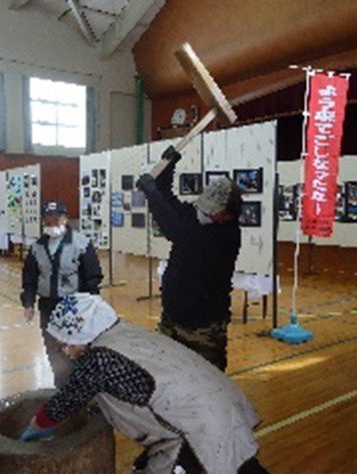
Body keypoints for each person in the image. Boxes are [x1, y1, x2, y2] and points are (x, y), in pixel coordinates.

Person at [20, 294, 267, 474]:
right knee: (241, 466)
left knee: (218, 463)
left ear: (83, 335)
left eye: (66, 342)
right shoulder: (122, 332)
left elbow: (65, 402)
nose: (65, 350)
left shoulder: (100, 359)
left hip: (198, 431)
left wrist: (34, 430)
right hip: (221, 409)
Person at [136, 146, 243, 371]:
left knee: (207, 379)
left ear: (228, 213)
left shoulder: (225, 236)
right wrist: (168, 165)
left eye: (212, 210)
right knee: (166, 374)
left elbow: (174, 229)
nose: (206, 212)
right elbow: (169, 198)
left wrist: (151, 194)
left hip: (203, 326)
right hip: (172, 317)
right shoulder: (200, 218)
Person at [20, 200, 103, 387]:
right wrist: (28, 303)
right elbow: (29, 278)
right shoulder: (37, 247)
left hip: (75, 305)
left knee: (78, 347)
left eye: (56, 220)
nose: (52, 225)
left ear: (66, 219)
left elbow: (92, 276)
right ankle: (62, 386)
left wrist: (92, 305)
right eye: (47, 221)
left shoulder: (81, 243)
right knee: (53, 347)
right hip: (48, 305)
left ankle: (83, 387)